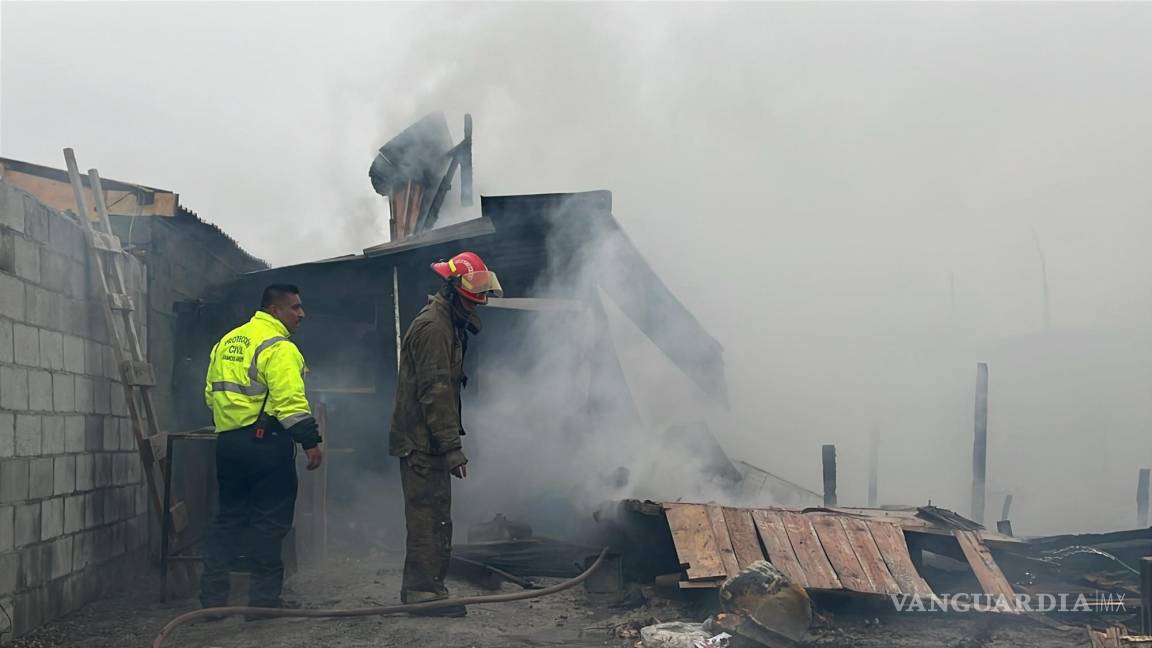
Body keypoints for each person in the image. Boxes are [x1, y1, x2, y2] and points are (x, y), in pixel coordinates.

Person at [390, 251, 502, 616]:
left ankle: (429, 589)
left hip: (429, 441)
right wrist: (453, 448)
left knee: (437, 513)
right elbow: (435, 392)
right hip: (422, 443)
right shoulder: (434, 328)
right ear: (452, 288)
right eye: (473, 294)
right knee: (428, 516)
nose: (478, 303)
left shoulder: (447, 322)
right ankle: (423, 594)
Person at [200, 283, 323, 610]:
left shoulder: (227, 342)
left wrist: (232, 423)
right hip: (265, 444)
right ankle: (264, 603)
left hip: (228, 443)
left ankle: (212, 600)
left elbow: (210, 395)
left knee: (229, 519)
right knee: (270, 522)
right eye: (295, 308)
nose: (301, 314)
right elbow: (290, 403)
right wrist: (310, 442)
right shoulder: (279, 347)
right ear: (275, 310)